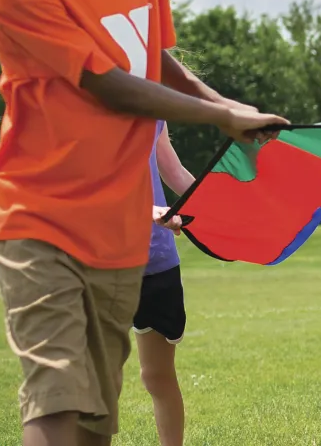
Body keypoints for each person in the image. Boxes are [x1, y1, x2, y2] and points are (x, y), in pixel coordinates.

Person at [0, 0, 286, 446]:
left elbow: (154, 62)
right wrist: (220, 117)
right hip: (41, 221)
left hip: (123, 231)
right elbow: (111, 84)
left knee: (95, 418)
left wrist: (232, 110)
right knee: (59, 397)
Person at [139, 122, 195, 446]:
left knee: (157, 376)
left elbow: (170, 166)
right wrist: (145, 210)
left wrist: (217, 206)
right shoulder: (80, 98)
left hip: (154, 257)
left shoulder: (153, 106)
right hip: (96, 260)